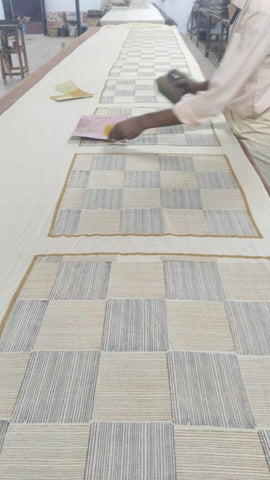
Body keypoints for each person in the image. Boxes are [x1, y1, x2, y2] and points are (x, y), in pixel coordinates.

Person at [109, 0, 270, 190]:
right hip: (245, 114)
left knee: (255, 196)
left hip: (258, 127)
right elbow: (244, 71)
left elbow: (216, 100)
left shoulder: (262, 11)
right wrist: (198, 86)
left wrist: (141, 123)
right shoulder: (252, 6)